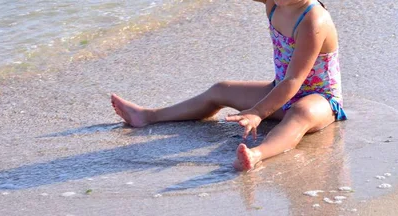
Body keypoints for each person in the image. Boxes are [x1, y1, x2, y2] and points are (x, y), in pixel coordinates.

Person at [110, 0, 346, 171]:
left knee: (300, 112)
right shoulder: (275, 4)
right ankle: (147, 116)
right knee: (220, 90)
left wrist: (257, 112)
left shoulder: (313, 20)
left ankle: (256, 154)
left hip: (320, 100)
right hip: (279, 90)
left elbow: (293, 80)